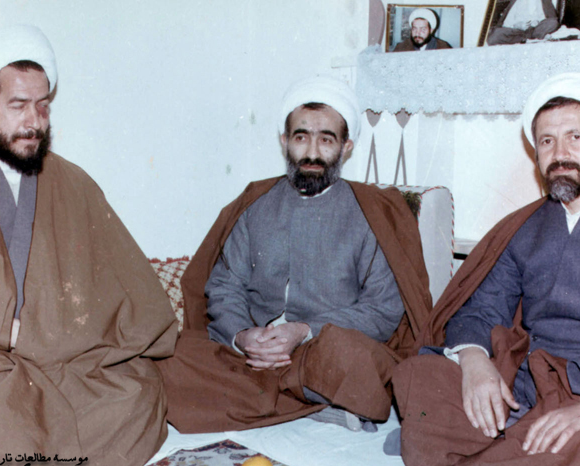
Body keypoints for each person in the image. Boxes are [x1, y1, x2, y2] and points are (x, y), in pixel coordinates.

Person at [388, 72, 580, 466]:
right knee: (420, 378)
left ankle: (511, 459)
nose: (560, 154)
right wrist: (474, 362)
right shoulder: (525, 227)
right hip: (529, 386)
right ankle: (524, 451)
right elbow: (481, 307)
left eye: (575, 137)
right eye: (547, 141)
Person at [0, 25, 177, 466]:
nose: (34, 121)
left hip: (65, 365)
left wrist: (51, 331)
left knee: (137, 395)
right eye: (18, 105)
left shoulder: (73, 182)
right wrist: (0, 333)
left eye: (43, 105)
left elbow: (125, 297)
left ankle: (34, 451)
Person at [158, 76, 435, 433]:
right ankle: (313, 404)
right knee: (171, 356)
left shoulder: (372, 213)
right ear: (284, 141)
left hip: (320, 348)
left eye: (326, 140)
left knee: (355, 359)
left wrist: (303, 331)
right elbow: (225, 286)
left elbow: (383, 309)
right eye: (301, 137)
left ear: (346, 147)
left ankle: (275, 397)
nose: (312, 153)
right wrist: (242, 336)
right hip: (254, 355)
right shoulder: (256, 204)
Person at [487, 0, 561, 45]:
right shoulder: (516, 2)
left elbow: (548, 17)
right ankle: (530, 39)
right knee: (494, 36)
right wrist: (516, 25)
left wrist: (537, 22)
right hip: (518, 32)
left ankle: (531, 37)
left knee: (552, 22)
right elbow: (506, 23)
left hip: (535, 29)